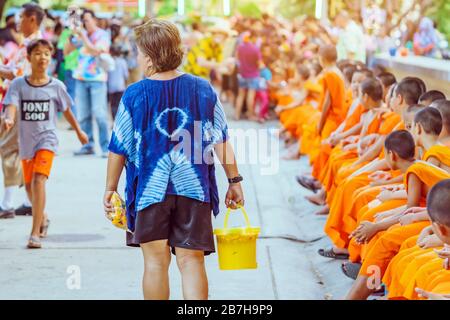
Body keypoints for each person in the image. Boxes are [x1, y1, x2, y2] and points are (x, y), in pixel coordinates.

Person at [104, 19, 244, 300]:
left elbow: (118, 146)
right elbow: (220, 139)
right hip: (195, 191)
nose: (138, 57)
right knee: (191, 261)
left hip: (148, 193)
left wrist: (110, 188)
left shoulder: (134, 95)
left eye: (140, 51)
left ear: (151, 55)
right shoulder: (202, 89)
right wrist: (234, 181)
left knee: (155, 263)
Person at [2, 39, 88, 248]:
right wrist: (9, 118)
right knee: (30, 187)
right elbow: (11, 105)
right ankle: (44, 216)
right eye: (38, 53)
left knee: (39, 181)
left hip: (46, 140)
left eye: (47, 54)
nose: (43, 58)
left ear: (51, 58)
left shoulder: (56, 86)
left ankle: (35, 233)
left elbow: (67, 110)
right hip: (26, 142)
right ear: (29, 57)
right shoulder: (19, 84)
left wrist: (79, 132)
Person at [0, 3, 46, 219]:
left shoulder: (33, 44)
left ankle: (8, 203)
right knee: (23, 152)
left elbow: (17, 75)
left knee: (8, 149)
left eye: (21, 18)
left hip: (19, 104)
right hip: (25, 103)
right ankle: (27, 202)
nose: (17, 22)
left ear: (32, 19)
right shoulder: (30, 42)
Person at [66, 9, 111, 158]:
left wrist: (83, 35)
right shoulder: (79, 35)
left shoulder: (102, 35)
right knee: (83, 114)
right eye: (82, 20)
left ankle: (105, 147)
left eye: (87, 20)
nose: (84, 23)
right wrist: (72, 33)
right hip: (80, 78)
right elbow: (66, 51)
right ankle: (88, 145)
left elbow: (95, 50)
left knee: (99, 114)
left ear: (94, 20)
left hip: (97, 79)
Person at [234, 31, 263, 120]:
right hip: (253, 75)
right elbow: (260, 64)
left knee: (241, 95)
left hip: (242, 74)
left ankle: (237, 115)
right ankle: (250, 115)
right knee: (251, 95)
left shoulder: (240, 47)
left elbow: (236, 58)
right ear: (253, 38)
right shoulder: (255, 49)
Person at [107, 45, 128, 119]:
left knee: (112, 105)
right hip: (120, 87)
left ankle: (114, 121)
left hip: (111, 87)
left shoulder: (109, 61)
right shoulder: (122, 61)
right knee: (120, 105)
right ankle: (120, 121)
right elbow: (126, 75)